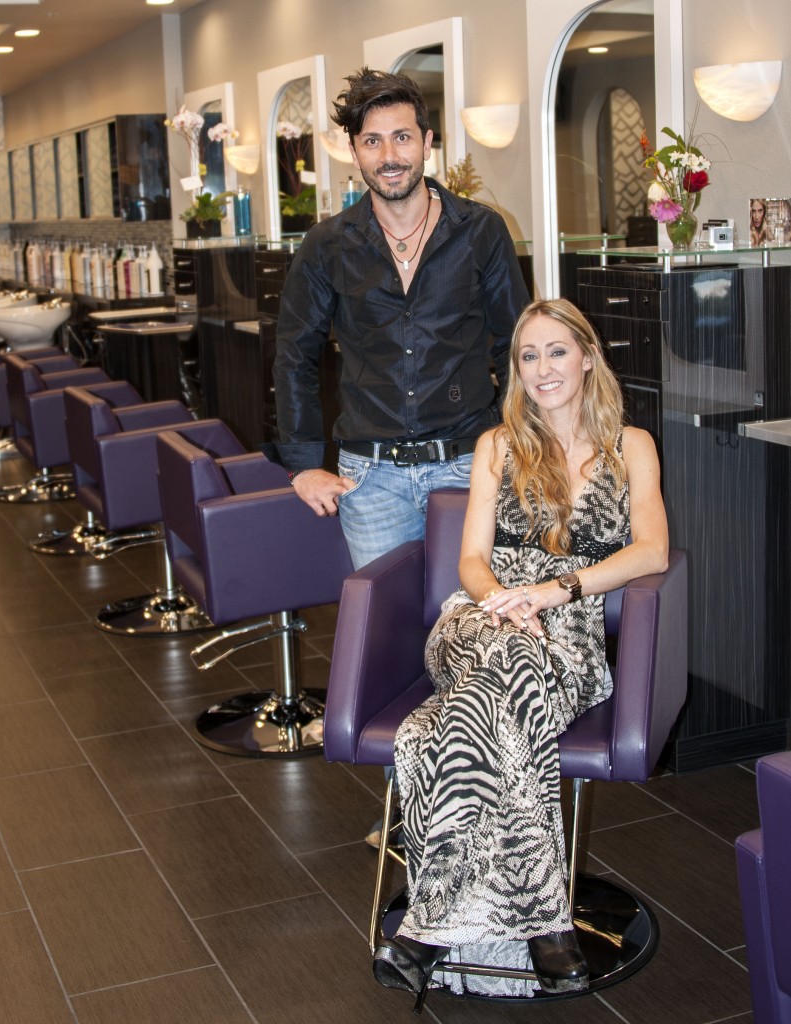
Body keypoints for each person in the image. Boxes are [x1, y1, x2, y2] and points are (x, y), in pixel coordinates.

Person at [371, 298, 669, 1001]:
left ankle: (426, 927)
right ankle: (544, 923)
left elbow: (650, 551)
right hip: (477, 622)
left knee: (441, 728)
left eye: (556, 351)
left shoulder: (632, 446)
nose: (541, 369)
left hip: (566, 634)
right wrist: (504, 603)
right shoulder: (496, 446)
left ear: (587, 356)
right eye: (527, 356)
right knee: (505, 666)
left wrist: (555, 593)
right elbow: (470, 562)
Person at [272, 67, 530, 572]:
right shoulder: (326, 245)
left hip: (468, 467)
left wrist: (516, 444)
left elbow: (515, 344)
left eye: (401, 138)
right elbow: (293, 356)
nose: (389, 157)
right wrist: (303, 466)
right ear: (354, 151)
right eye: (372, 141)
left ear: (427, 142)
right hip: (370, 482)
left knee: (475, 623)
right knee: (390, 633)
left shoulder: (480, 231)